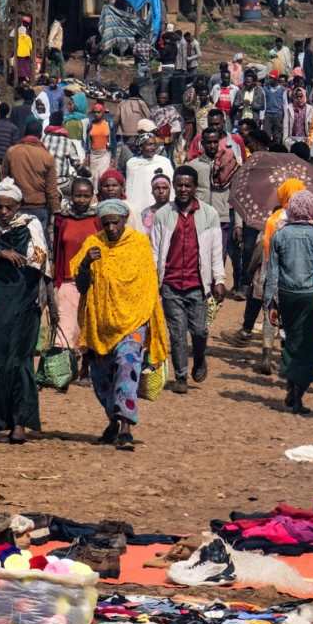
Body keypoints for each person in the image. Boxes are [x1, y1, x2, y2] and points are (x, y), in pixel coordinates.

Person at [74, 199, 168, 451]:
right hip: (101, 324)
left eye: (115, 223)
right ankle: (113, 422)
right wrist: (86, 263)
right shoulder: (93, 244)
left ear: (125, 220)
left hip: (133, 321)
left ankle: (126, 427)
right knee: (102, 378)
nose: (111, 228)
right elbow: (82, 287)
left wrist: (149, 319)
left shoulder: (138, 244)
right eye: (106, 224)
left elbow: (149, 285)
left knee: (127, 367)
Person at [0, 179, 50, 445]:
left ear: (19, 205)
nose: (3, 212)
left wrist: (52, 306)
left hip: (26, 304)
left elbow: (43, 266)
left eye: (9, 207)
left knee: (21, 363)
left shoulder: (31, 225)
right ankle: (2, 421)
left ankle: (20, 424)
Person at [149, 167, 226, 392]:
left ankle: (200, 358)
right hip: (171, 284)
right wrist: (153, 280)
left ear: (195, 187)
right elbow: (155, 250)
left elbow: (216, 251)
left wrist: (219, 279)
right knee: (177, 333)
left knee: (199, 331)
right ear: (174, 186)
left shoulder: (209, 214)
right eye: (179, 185)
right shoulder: (163, 214)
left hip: (197, 285)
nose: (183, 189)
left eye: (187, 185)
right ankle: (181, 376)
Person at [265, 190, 313, 413]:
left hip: (287, 294)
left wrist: (270, 302)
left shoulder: (280, 235)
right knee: (309, 345)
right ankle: (298, 394)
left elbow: (272, 273)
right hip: (311, 295)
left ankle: (291, 387)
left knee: (290, 340)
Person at [52, 177, 101, 372]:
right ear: (71, 196)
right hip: (67, 279)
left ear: (92, 197)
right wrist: (55, 279)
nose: (81, 200)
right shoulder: (62, 220)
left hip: (92, 281)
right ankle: (65, 370)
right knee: (65, 326)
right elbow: (57, 249)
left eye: (86, 196)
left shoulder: (98, 220)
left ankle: (86, 370)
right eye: (77, 195)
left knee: (89, 325)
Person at [1, 119, 60, 235]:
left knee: (16, 240)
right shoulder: (47, 156)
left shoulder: (11, 152)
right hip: (39, 207)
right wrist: (56, 212)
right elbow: (51, 190)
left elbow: (4, 181)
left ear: (24, 133)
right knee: (38, 241)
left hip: (16, 206)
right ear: (40, 136)